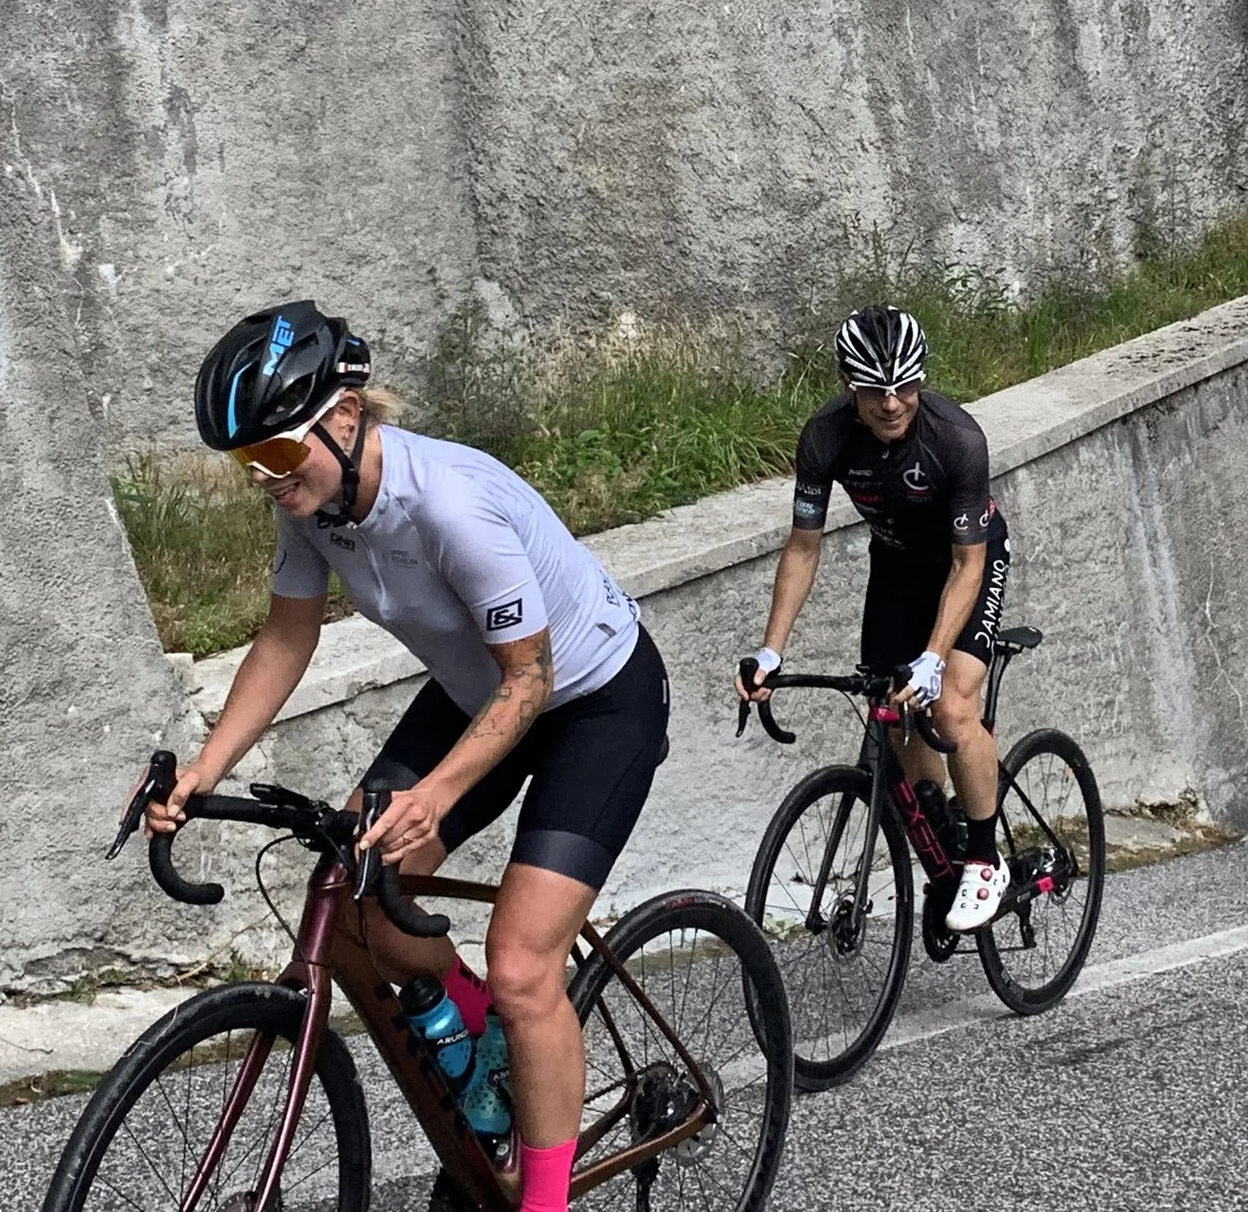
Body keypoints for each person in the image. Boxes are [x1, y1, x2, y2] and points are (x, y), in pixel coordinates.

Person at [143, 302, 666, 1212]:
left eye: (273, 453)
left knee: (522, 963)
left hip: (590, 697)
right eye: (246, 463)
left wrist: (436, 791)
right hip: (479, 691)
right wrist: (204, 769)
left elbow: (530, 681)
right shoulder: (314, 502)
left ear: (344, 417)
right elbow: (284, 637)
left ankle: (541, 1196)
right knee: (360, 902)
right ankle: (476, 1036)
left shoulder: (451, 505)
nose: (264, 478)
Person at [736, 305, 1014, 932]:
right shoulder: (825, 437)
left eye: (905, 386)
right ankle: (939, 831)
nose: (892, 403)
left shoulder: (956, 438)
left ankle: (984, 856)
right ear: (847, 386)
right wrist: (771, 650)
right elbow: (804, 547)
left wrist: (935, 657)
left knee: (948, 710)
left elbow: (967, 568)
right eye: (873, 389)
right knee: (892, 720)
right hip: (893, 569)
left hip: (967, 560)